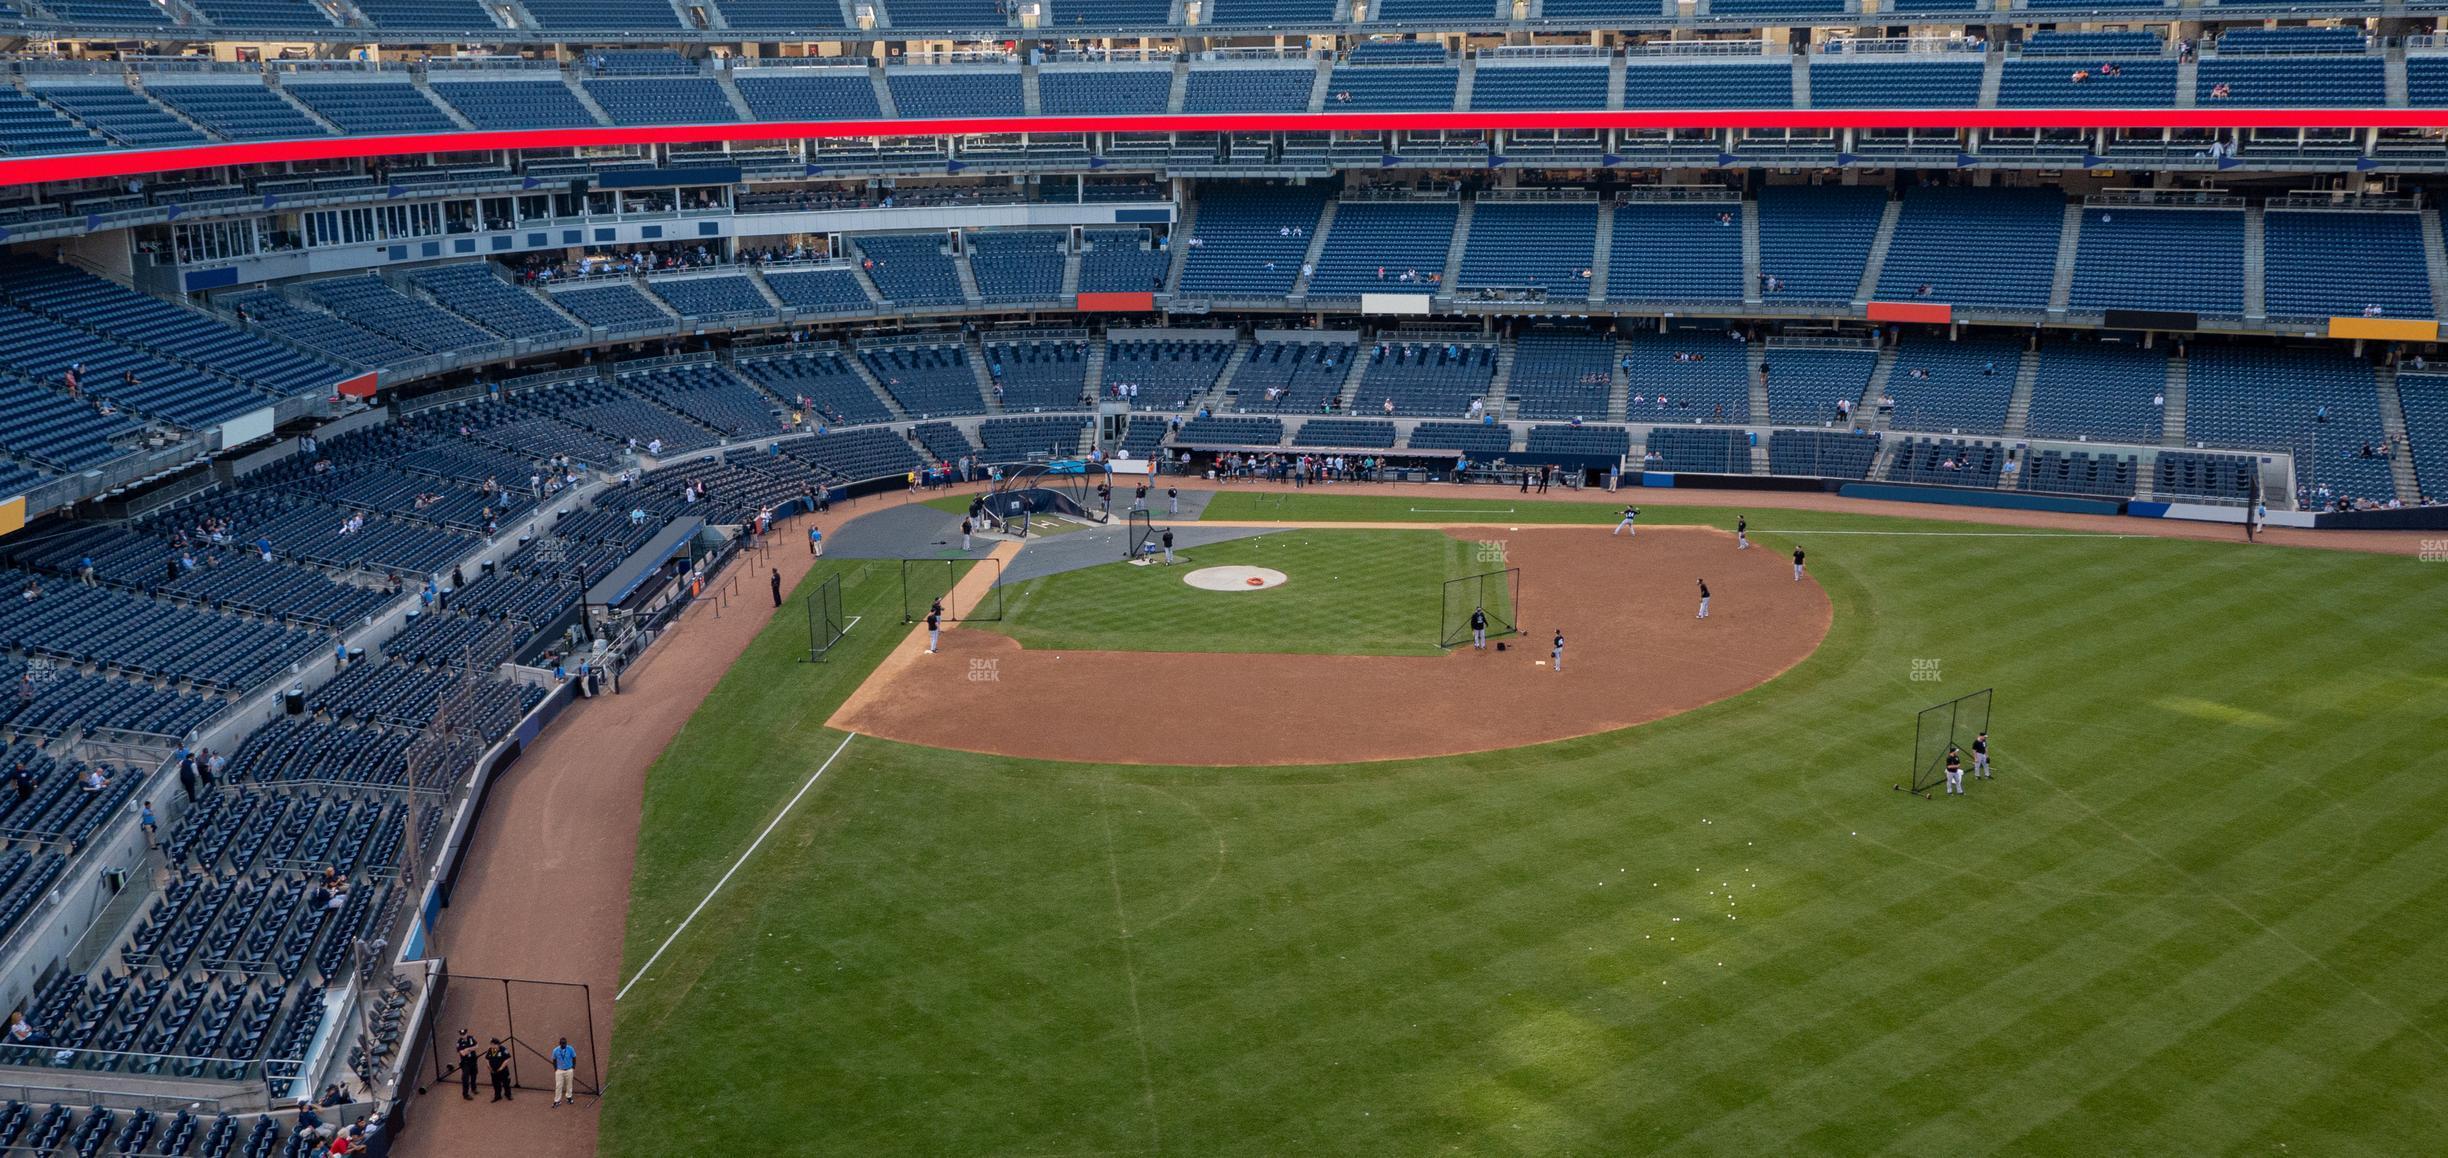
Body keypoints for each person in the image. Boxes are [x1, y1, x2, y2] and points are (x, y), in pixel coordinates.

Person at [550, 1037, 578, 1107]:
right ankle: (557, 1101)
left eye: (565, 1043)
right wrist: (556, 1069)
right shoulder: (555, 1050)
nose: (564, 1045)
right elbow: (554, 1060)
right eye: (562, 1044)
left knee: (569, 1084)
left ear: (566, 1043)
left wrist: (573, 1066)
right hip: (559, 1071)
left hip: (569, 1070)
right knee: (558, 1086)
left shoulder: (570, 1049)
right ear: (559, 1044)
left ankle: (569, 1097)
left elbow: (574, 1057)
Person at [486, 1038, 514, 1102]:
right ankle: (497, 1096)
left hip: (503, 1071)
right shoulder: (490, 1050)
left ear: (498, 1044)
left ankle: (508, 1095)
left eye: (493, 1045)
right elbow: (487, 1058)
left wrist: (501, 1068)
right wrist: (488, 1066)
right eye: (491, 1044)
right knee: (495, 1084)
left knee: (506, 1083)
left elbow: (507, 1059)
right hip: (493, 1071)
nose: (492, 1046)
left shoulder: (503, 1049)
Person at [455, 1029, 480, 1099]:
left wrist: (468, 1049)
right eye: (462, 1035)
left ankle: (473, 1088)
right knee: (465, 1079)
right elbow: (462, 1053)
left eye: (464, 1034)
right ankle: (465, 1094)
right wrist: (471, 1049)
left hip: (473, 1060)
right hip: (465, 1063)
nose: (464, 1036)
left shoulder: (471, 1038)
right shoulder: (459, 1042)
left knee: (474, 1075)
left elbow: (477, 1046)